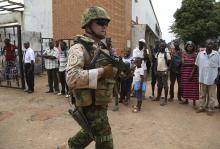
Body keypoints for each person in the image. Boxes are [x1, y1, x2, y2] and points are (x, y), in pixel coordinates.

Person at [58, 6, 115, 149]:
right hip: (88, 104)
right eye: (101, 22)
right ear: (88, 25)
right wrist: (102, 71)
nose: (105, 26)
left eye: (106, 23)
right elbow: (71, 78)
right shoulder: (78, 48)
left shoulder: (100, 48)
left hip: (100, 101)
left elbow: (107, 74)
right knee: (104, 138)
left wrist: (117, 72)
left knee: (90, 132)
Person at [195, 39, 220, 116]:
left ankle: (210, 108)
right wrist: (197, 76)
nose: (210, 45)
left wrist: (217, 77)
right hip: (202, 78)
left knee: (211, 95)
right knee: (202, 94)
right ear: (205, 44)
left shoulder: (217, 54)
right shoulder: (200, 54)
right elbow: (197, 65)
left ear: (213, 45)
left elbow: (219, 67)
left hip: (213, 78)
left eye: (212, 44)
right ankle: (201, 107)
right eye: (208, 44)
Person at [179, 41, 199, 106]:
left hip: (193, 73)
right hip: (184, 73)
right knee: (185, 87)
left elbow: (196, 65)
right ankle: (186, 100)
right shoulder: (183, 54)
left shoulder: (195, 54)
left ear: (193, 47)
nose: (189, 47)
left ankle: (194, 102)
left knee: (193, 87)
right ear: (186, 47)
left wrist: (191, 73)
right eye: (188, 46)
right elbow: (183, 63)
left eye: (191, 46)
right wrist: (191, 63)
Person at [153, 41, 171, 106]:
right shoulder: (157, 54)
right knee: (159, 85)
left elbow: (170, 63)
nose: (161, 47)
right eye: (160, 46)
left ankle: (165, 100)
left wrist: (167, 70)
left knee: (165, 86)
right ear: (159, 46)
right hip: (158, 72)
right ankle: (158, 97)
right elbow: (155, 63)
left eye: (163, 46)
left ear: (165, 47)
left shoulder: (167, 54)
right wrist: (155, 71)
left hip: (164, 72)